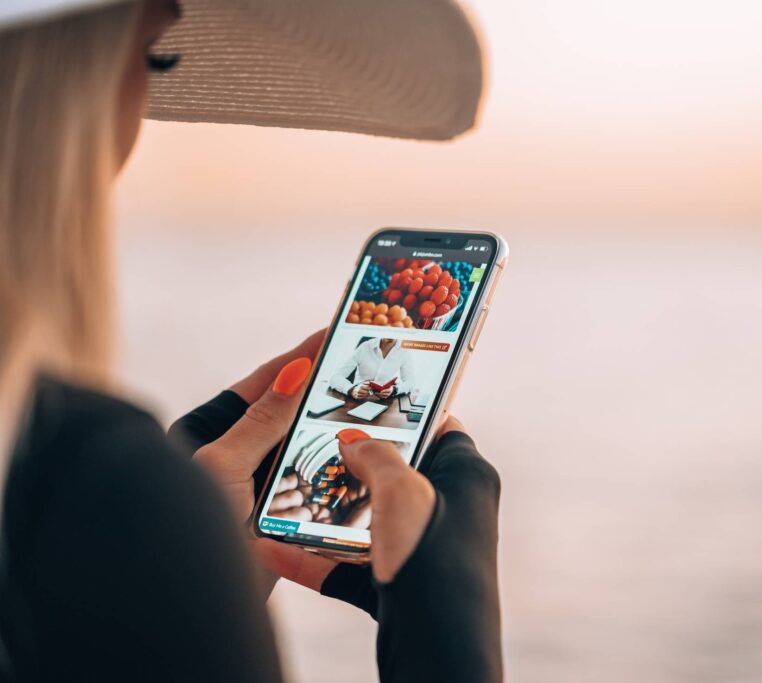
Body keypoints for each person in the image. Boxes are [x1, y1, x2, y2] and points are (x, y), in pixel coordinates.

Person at [0, 1, 501, 681]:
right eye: (154, 56)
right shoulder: (85, 486)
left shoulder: (72, 487)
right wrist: (447, 634)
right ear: (52, 86)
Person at [329, 337, 417, 401]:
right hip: (358, 399)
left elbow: (410, 382)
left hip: (384, 402)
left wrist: (395, 390)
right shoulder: (365, 347)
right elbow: (335, 377)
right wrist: (352, 389)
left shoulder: (405, 352)